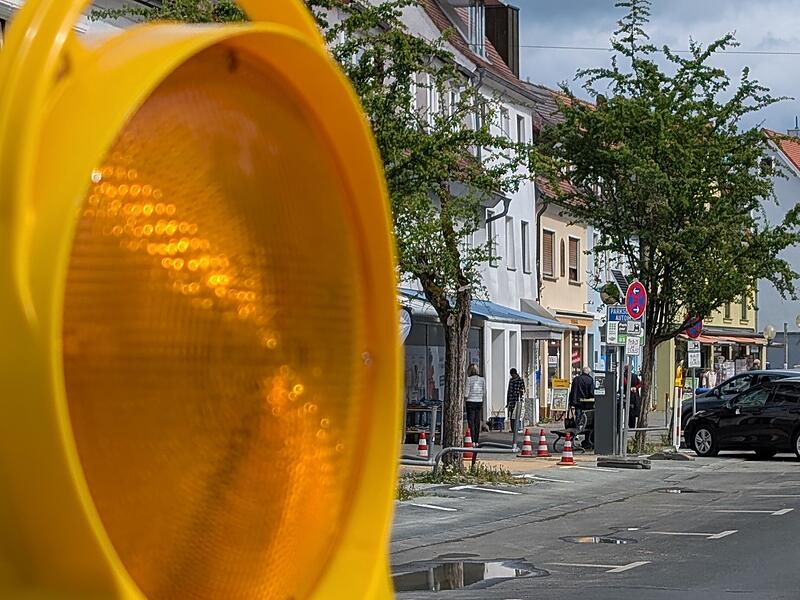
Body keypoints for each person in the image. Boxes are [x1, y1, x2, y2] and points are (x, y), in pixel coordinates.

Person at [464, 364, 486, 444]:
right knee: (477, 421)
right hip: (479, 401)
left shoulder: (468, 379)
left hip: (470, 401)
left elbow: (466, 392)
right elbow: (484, 391)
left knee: (471, 421)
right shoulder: (482, 379)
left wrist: (464, 399)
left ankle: (472, 439)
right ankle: (476, 440)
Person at [506, 368, 525, 434]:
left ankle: (518, 428)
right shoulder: (511, 380)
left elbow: (523, 390)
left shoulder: (520, 380)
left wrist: (520, 393)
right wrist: (507, 401)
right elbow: (508, 391)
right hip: (511, 400)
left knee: (517, 414)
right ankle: (513, 429)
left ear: (515, 374)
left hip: (518, 400)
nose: (512, 376)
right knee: (511, 415)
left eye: (513, 375)